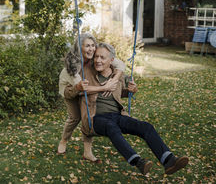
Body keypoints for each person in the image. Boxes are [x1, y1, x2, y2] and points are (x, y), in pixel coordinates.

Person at [79, 42, 189, 175]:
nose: (98, 60)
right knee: (111, 127)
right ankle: (138, 162)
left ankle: (169, 161)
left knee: (145, 127)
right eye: (96, 57)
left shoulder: (118, 76)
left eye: (102, 58)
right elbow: (74, 90)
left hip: (117, 115)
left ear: (112, 60)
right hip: (95, 118)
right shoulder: (87, 72)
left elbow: (121, 93)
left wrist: (132, 90)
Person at [57, 34, 125, 162]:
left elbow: (120, 65)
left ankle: (87, 153)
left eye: (93, 45)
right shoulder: (73, 65)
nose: (91, 49)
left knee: (87, 115)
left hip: (86, 87)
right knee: (75, 117)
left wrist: (113, 80)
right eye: (87, 46)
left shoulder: (95, 55)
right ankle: (64, 140)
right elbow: (83, 88)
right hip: (70, 89)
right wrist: (104, 88)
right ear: (79, 47)